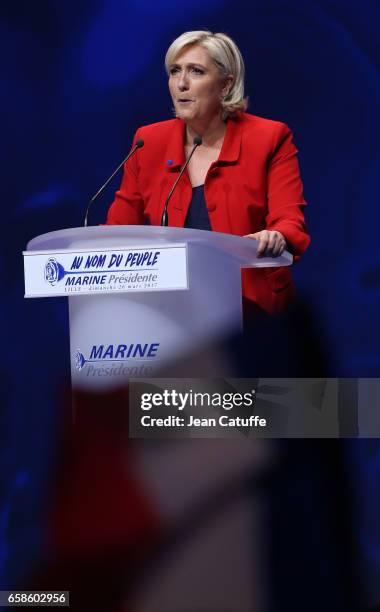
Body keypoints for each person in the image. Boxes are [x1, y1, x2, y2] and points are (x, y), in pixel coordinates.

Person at [106, 30, 310, 315]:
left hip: (252, 310)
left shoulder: (268, 138)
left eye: (196, 71)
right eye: (175, 71)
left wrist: (275, 235)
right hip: (167, 313)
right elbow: (119, 228)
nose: (181, 83)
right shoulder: (149, 141)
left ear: (226, 85)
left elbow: (289, 219)